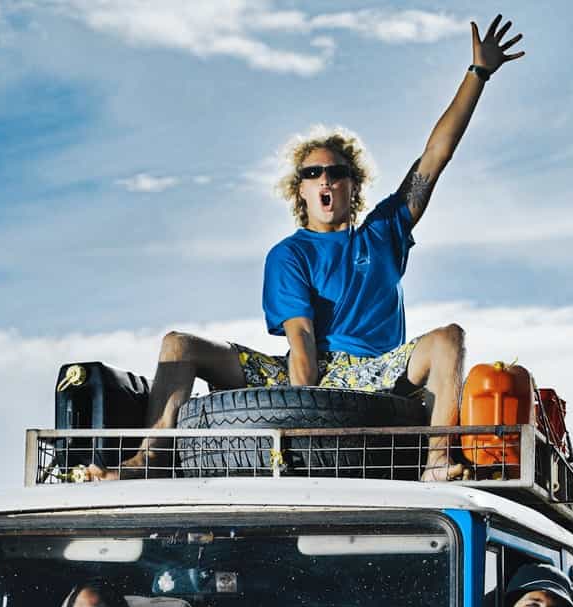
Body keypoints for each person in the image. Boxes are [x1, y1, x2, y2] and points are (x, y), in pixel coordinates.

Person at [105, 15, 528, 483]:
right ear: (300, 191)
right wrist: (300, 415)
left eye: (337, 172)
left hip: (374, 372)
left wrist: (478, 74)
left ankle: (437, 461)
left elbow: (435, 156)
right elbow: (301, 345)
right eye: (313, 174)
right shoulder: (288, 255)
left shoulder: (383, 231)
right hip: (300, 373)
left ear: (353, 186)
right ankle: (149, 458)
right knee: (178, 345)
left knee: (450, 337)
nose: (325, 178)